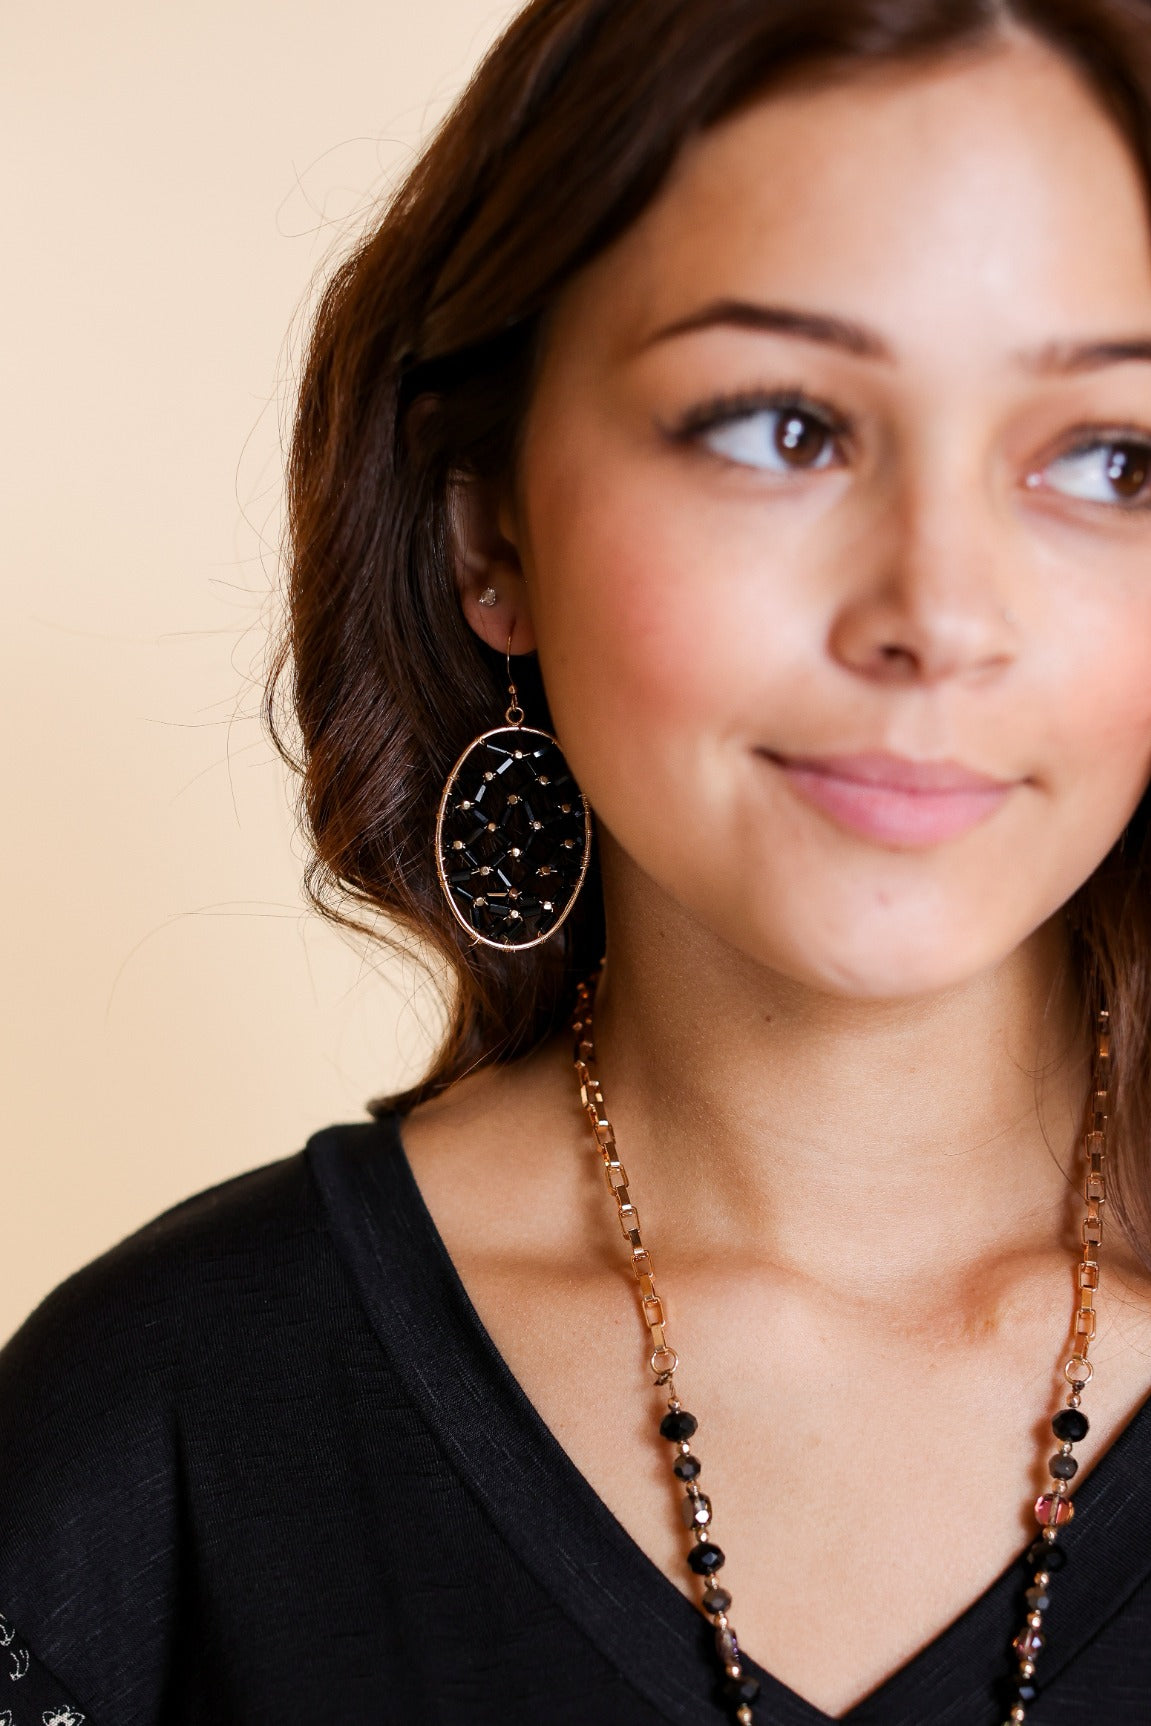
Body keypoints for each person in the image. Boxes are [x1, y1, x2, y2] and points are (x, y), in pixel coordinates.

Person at [6, 0, 1151, 1720]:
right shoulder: (164, 1431)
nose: (939, 615)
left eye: (1110, 456)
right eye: (784, 425)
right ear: (491, 530)